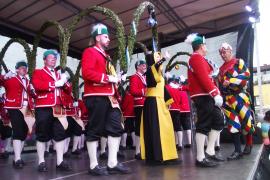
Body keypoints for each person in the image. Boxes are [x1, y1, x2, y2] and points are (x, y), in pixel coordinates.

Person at [81, 23, 130, 176]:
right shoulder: (90, 52)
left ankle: (112, 163)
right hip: (96, 96)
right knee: (94, 130)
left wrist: (117, 79)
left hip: (110, 97)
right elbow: (87, 73)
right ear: (97, 37)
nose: (109, 39)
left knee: (116, 127)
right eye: (106, 36)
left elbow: (109, 76)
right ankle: (93, 165)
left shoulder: (106, 56)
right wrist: (108, 77)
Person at [185, 33, 225, 167]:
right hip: (202, 95)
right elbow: (203, 78)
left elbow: (207, 77)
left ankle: (210, 151)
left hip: (206, 94)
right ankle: (200, 158)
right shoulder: (196, 58)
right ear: (201, 46)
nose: (206, 47)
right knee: (203, 124)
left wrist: (215, 93)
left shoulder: (199, 58)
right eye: (205, 45)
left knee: (219, 120)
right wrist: (215, 93)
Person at [32, 49, 71, 172]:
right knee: (42, 135)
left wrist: (65, 82)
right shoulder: (38, 72)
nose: (53, 59)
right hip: (44, 107)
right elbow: (38, 85)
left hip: (58, 108)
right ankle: (41, 161)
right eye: (50, 57)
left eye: (55, 57)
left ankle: (59, 161)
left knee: (60, 134)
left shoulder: (59, 74)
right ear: (44, 60)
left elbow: (68, 91)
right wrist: (55, 83)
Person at [218, 42, 255, 160]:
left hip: (240, 97)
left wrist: (231, 81)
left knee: (246, 121)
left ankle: (249, 144)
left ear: (230, 51)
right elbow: (221, 85)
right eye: (221, 53)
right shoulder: (221, 69)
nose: (223, 55)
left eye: (224, 52)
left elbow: (246, 75)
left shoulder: (239, 62)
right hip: (228, 100)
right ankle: (237, 151)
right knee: (233, 125)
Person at [140, 52, 178, 164]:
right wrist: (164, 59)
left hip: (160, 104)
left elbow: (163, 89)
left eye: (159, 58)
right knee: (156, 131)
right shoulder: (150, 71)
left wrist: (168, 100)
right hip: (153, 103)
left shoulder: (159, 75)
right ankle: (156, 157)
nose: (159, 59)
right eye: (157, 58)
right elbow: (154, 67)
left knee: (166, 129)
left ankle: (167, 156)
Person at [0, 61, 36, 169]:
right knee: (17, 131)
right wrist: (5, 77)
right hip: (15, 107)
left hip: (27, 108)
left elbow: (33, 95)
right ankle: (17, 159)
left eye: (25, 67)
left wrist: (33, 91)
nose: (24, 69)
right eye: (21, 67)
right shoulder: (10, 79)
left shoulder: (28, 81)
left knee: (24, 132)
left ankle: (18, 157)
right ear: (16, 69)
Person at [129, 60, 147, 159]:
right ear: (138, 67)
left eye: (145, 65)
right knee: (139, 129)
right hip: (139, 105)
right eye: (143, 65)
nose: (145, 66)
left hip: (145, 104)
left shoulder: (144, 77)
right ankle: (137, 151)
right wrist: (145, 91)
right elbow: (133, 91)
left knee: (144, 128)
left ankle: (143, 149)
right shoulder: (134, 77)